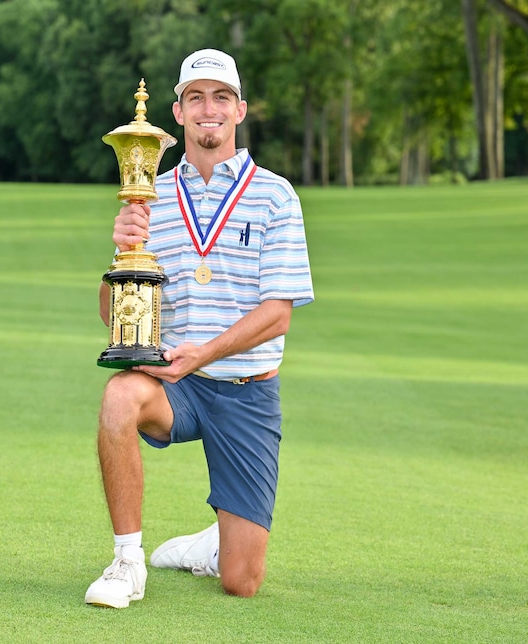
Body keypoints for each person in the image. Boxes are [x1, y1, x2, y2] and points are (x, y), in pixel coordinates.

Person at [84, 48, 314, 608]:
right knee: (119, 396)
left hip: (245, 391)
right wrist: (123, 249)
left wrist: (203, 353)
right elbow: (113, 310)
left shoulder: (275, 195)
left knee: (242, 581)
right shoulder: (151, 198)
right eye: (195, 98)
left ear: (239, 111)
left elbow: (277, 313)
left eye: (221, 98)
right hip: (175, 386)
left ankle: (211, 545)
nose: (208, 109)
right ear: (178, 112)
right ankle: (126, 563)